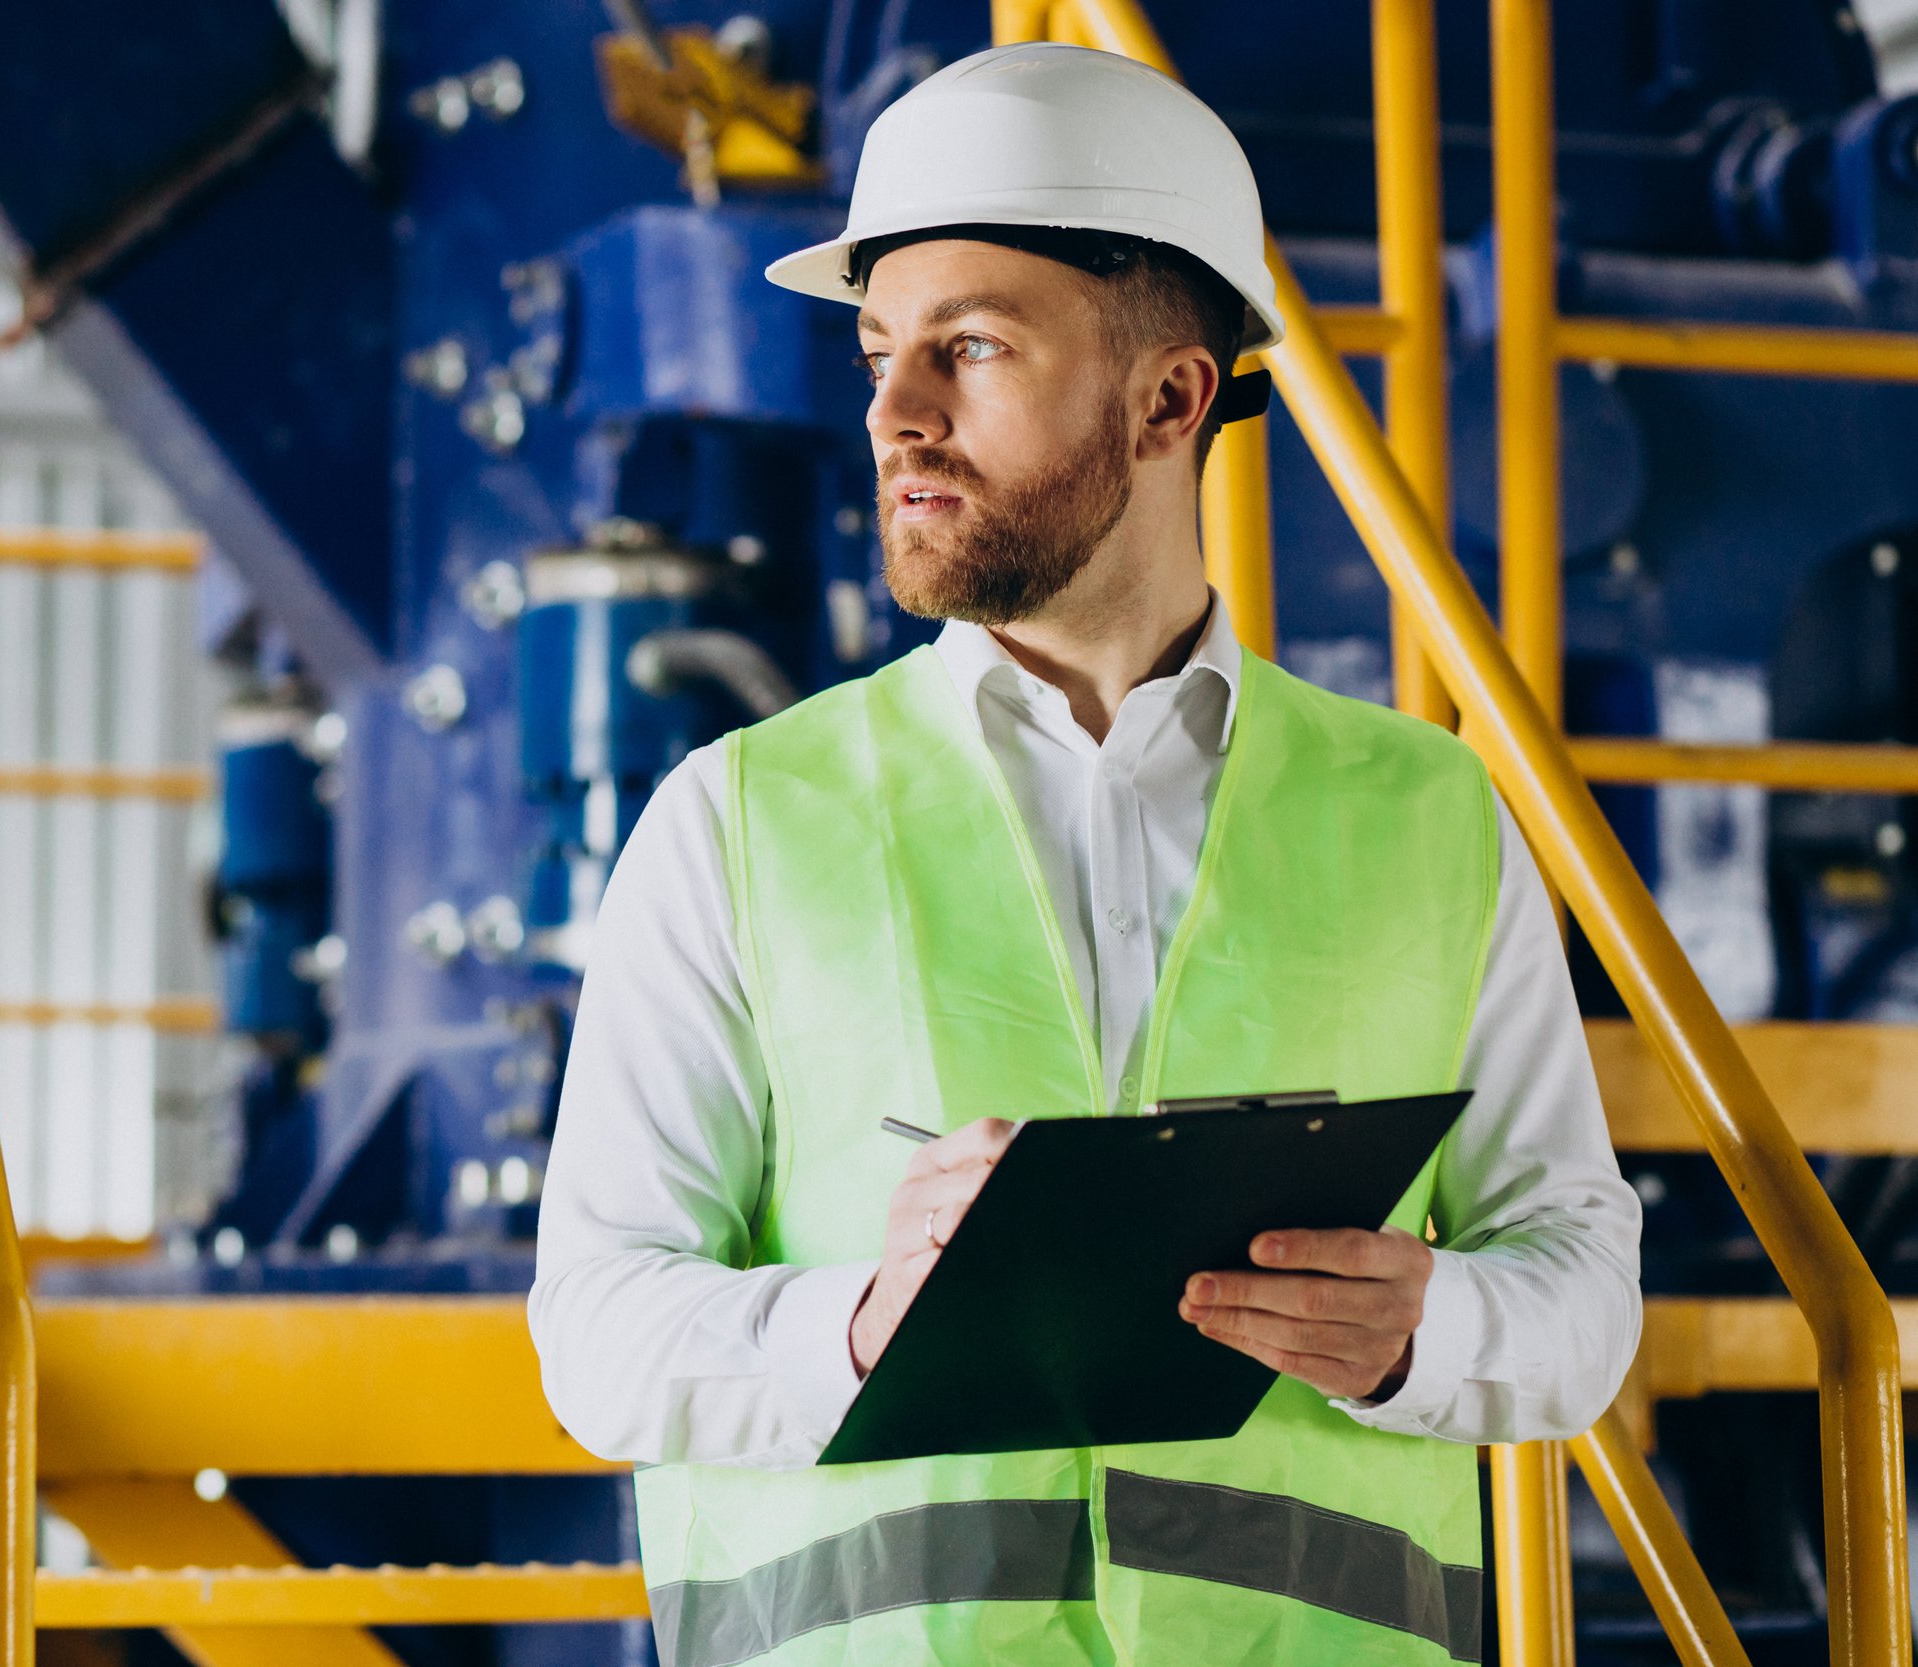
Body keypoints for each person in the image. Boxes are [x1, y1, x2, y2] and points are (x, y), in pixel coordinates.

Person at [529, 40, 1641, 1667]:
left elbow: (1582, 1288)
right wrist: (858, 1322)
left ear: (1170, 397)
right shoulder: (737, 820)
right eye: (878, 354)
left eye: (967, 351)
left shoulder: (1430, 817)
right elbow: (598, 1335)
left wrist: (1427, 1329)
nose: (896, 417)